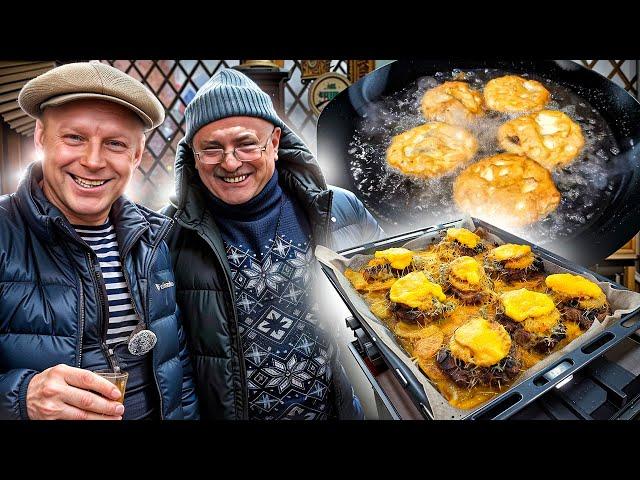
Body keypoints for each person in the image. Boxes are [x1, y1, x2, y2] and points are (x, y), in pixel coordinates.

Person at [163, 68, 383, 420]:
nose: (231, 162)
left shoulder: (340, 209)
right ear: (192, 155)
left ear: (275, 142)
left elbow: (393, 305)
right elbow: (169, 370)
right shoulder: (168, 240)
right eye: (212, 149)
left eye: (246, 143)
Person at [0, 62, 198, 420]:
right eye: (74, 137)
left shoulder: (153, 240)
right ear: (41, 138)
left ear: (136, 155)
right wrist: (20, 398)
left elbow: (176, 368)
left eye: (115, 144)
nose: (93, 161)